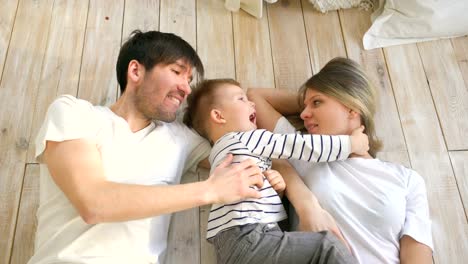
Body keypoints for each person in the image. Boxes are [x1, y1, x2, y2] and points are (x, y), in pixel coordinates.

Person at [28, 30, 266, 264]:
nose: (187, 88)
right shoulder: (75, 113)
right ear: (135, 71)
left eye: (189, 80)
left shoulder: (182, 140)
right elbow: (94, 203)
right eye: (177, 72)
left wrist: (300, 103)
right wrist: (209, 190)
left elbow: (246, 149)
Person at [247, 57, 434, 264]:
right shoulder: (303, 152)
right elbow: (255, 97)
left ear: (352, 108)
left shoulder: (407, 180)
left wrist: (347, 95)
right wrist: (316, 97)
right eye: (304, 106)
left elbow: (418, 256)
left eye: (316, 102)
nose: (303, 113)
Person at [183, 78, 370, 263]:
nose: (252, 103)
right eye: (241, 99)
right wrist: (351, 143)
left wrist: (276, 191)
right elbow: (299, 145)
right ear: (218, 116)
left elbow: (250, 200)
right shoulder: (246, 138)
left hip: (231, 246)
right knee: (327, 247)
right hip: (250, 236)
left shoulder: (219, 155)